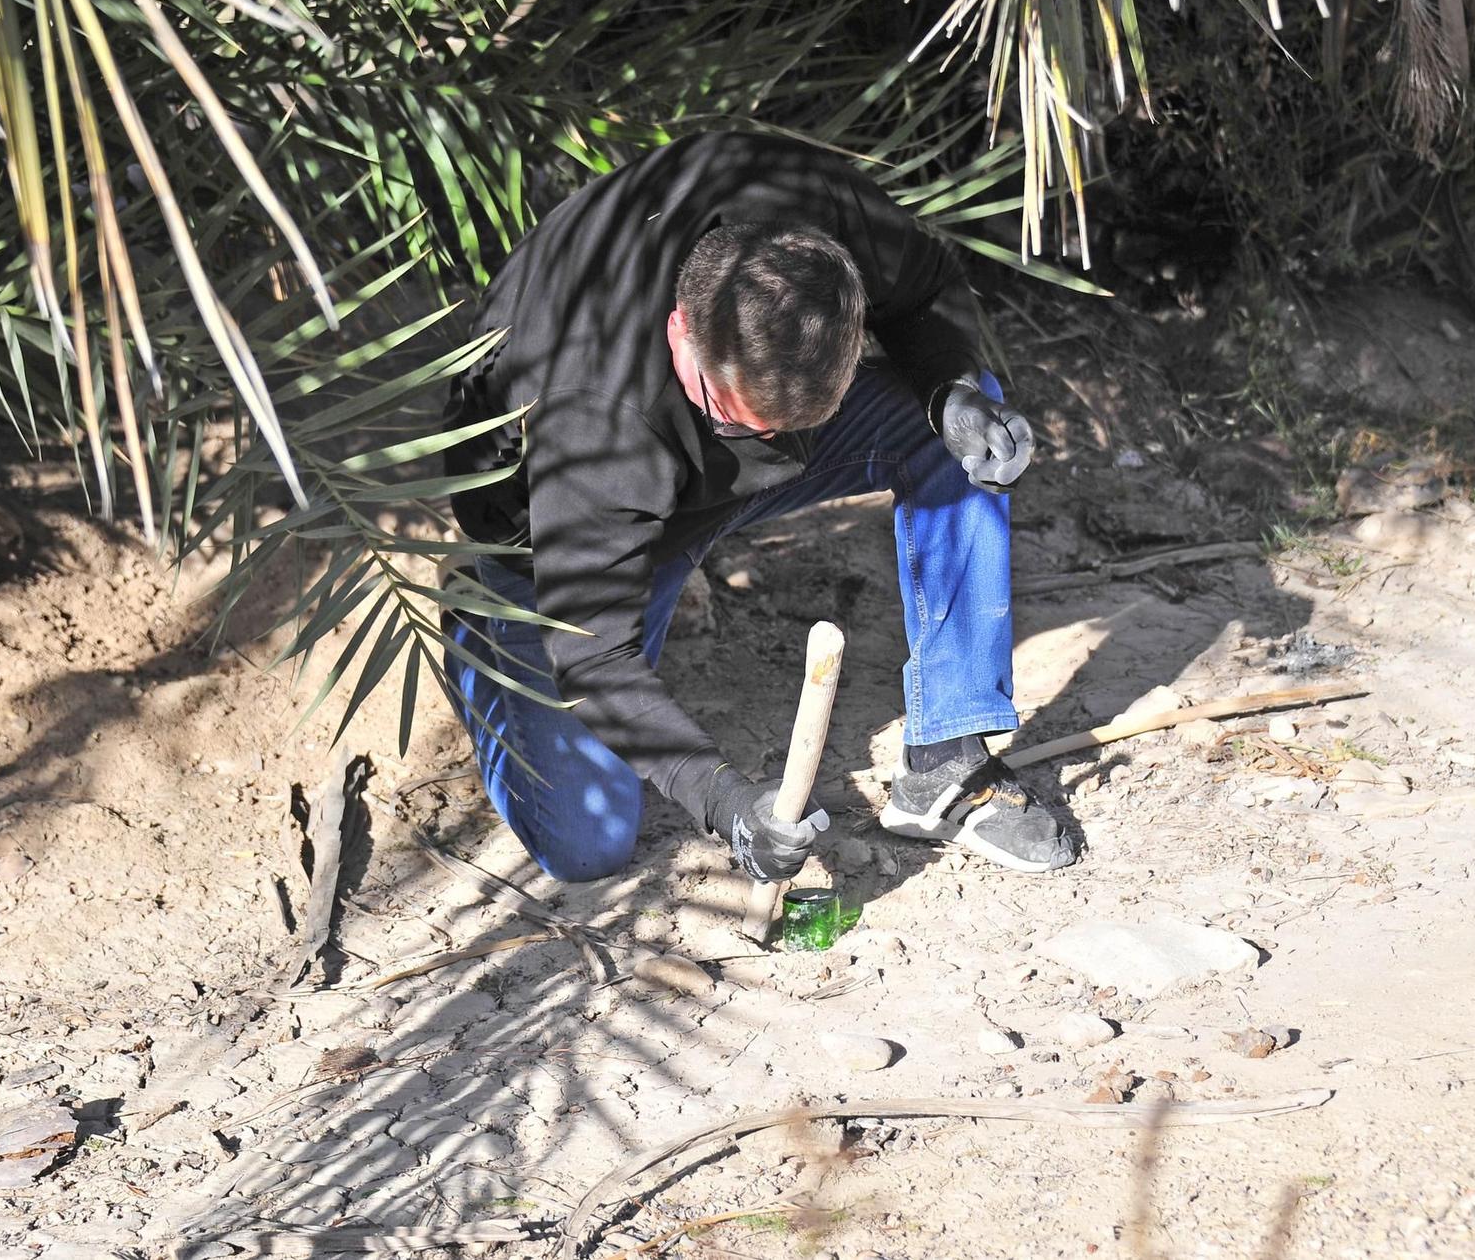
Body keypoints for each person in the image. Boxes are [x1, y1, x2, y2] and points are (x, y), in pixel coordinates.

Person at [440, 130, 1077, 885]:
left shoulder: (808, 223)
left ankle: (949, 758)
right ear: (683, 327)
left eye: (804, 416)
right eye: (745, 419)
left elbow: (926, 285)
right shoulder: (599, 416)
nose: (774, 440)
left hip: (690, 463)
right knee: (589, 844)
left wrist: (950, 391)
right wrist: (726, 801)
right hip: (544, 534)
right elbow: (592, 653)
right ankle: (480, 628)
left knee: (965, 424)